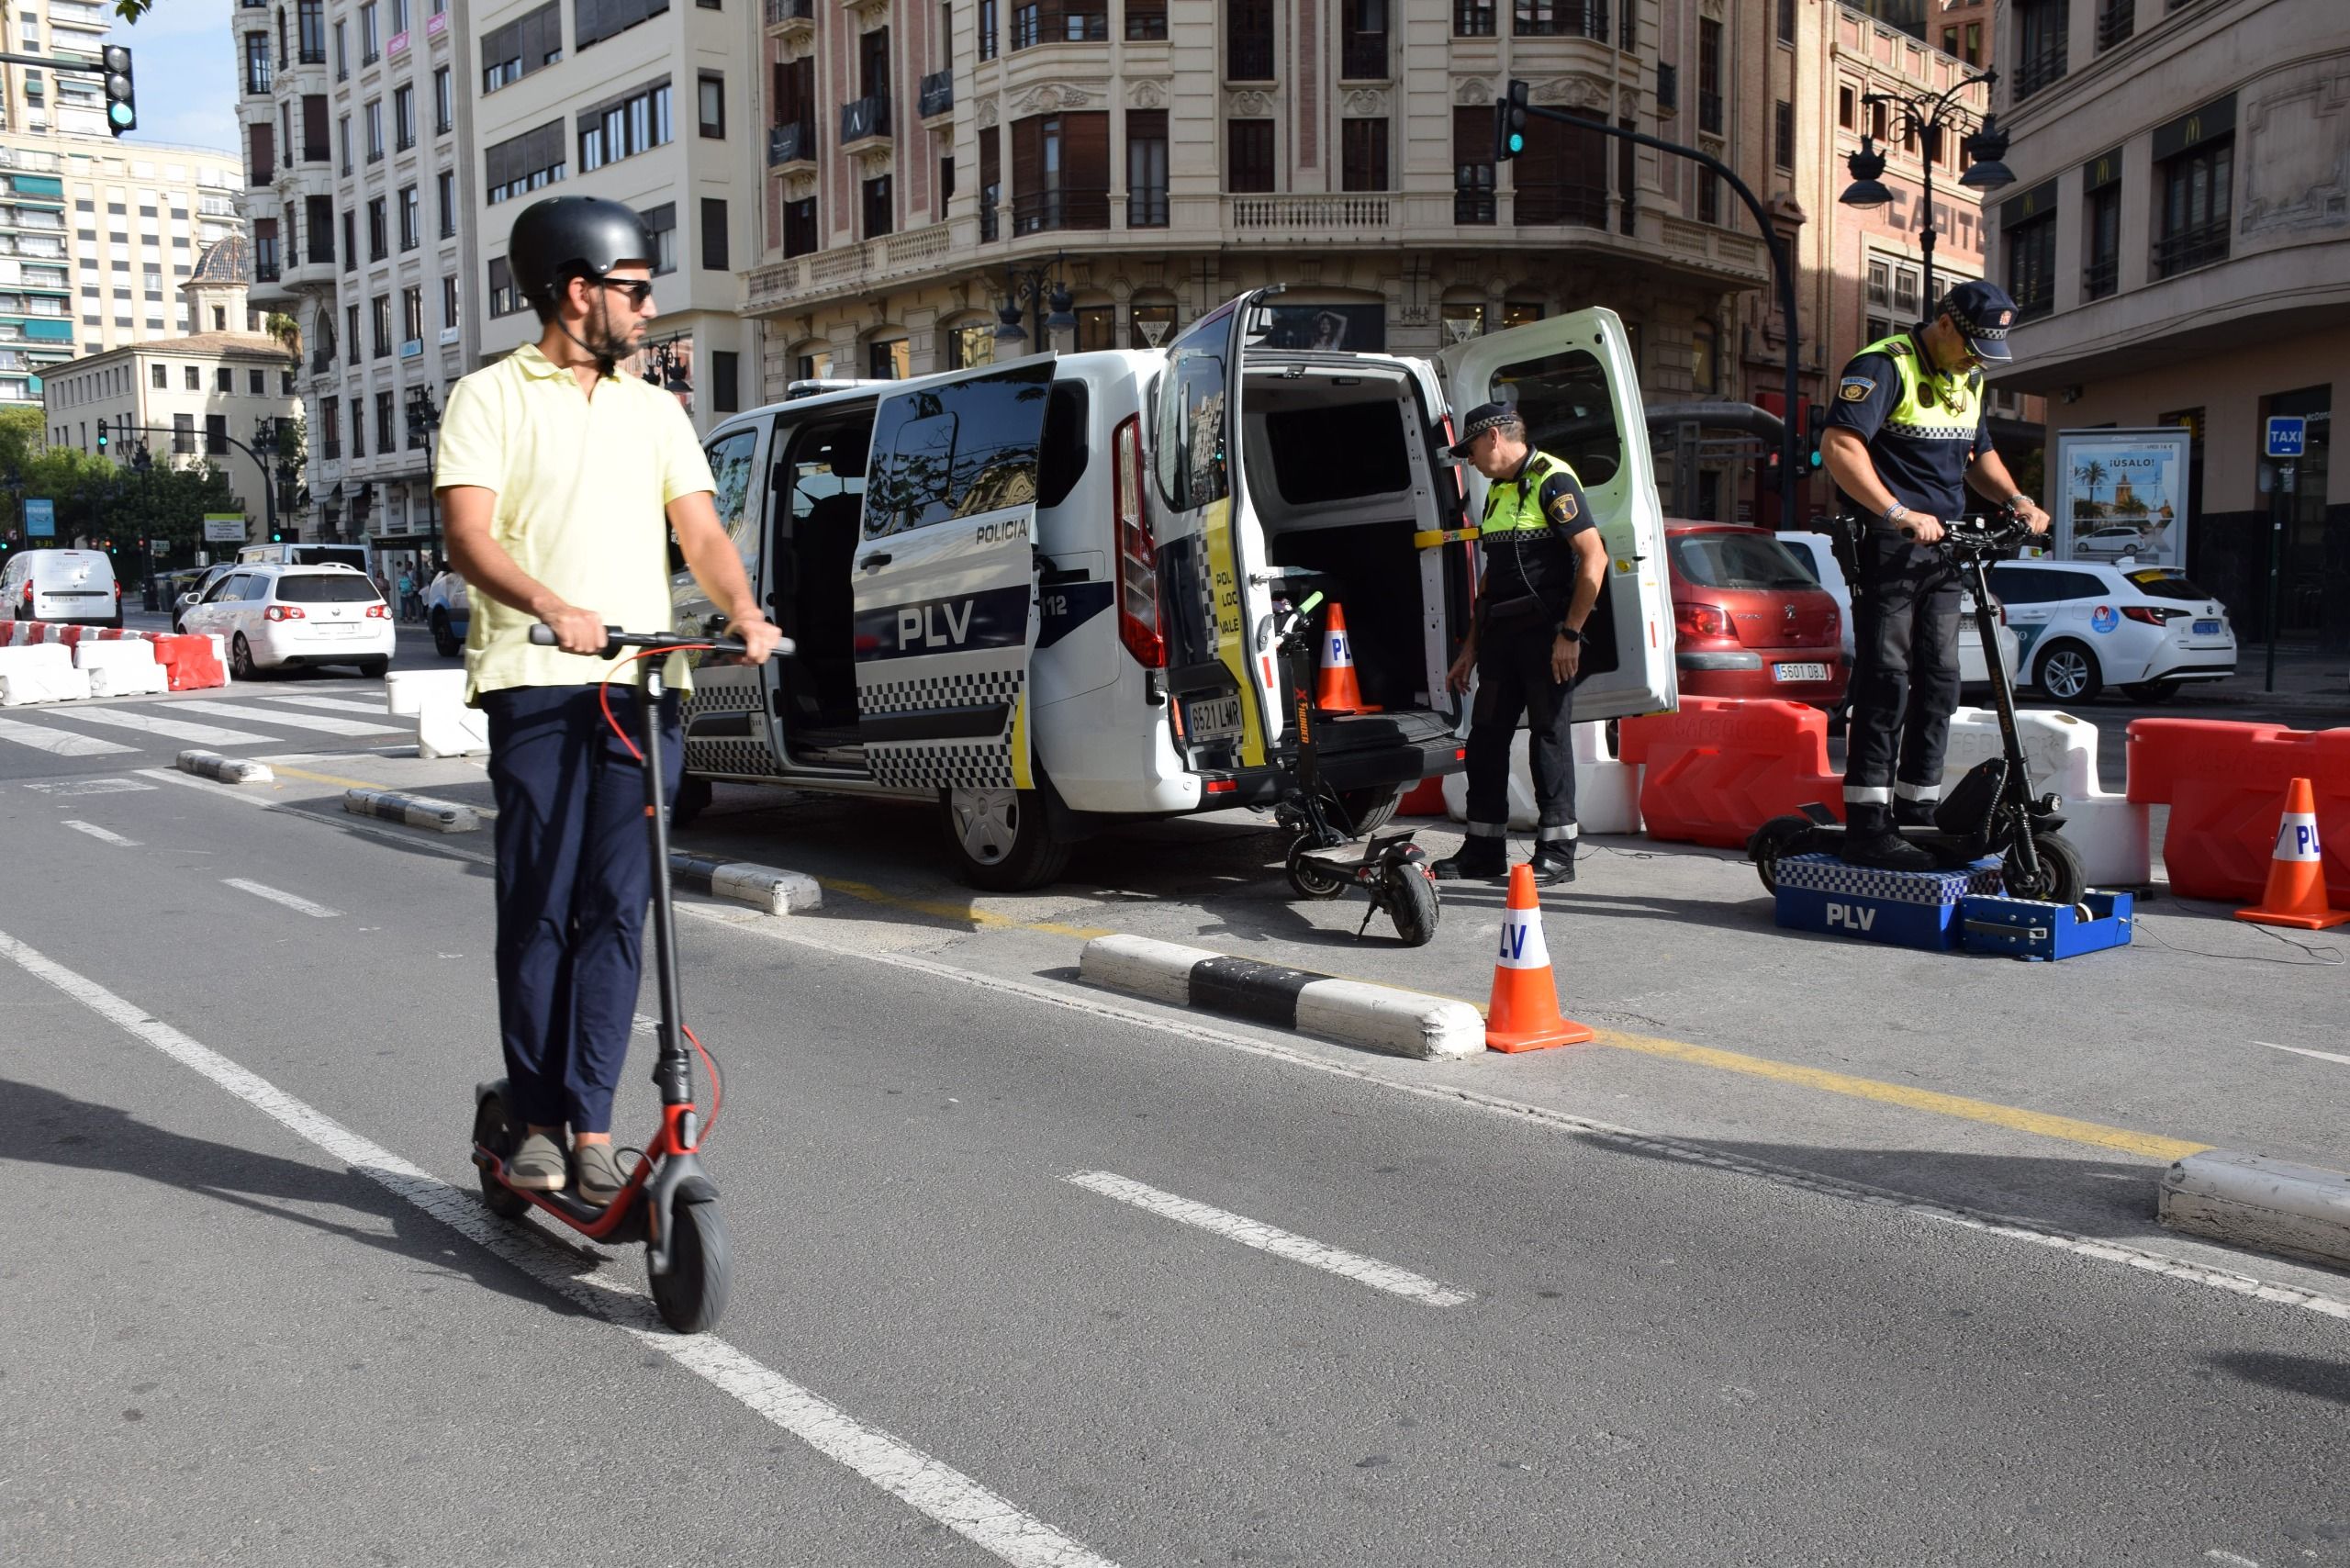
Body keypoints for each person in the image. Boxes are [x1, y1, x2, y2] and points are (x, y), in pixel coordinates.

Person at [434, 196, 782, 1204]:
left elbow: (703, 536)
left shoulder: (656, 410)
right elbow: (469, 537)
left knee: (619, 911)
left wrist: (745, 612)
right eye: (633, 289)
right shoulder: (489, 398)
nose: (648, 306)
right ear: (577, 291)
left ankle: (593, 1124)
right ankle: (536, 1120)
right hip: (539, 682)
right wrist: (552, 604)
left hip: (640, 691)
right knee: (540, 907)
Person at [1820, 279, 2050, 870]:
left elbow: (1978, 456)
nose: (1978, 360)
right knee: (1887, 678)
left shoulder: (1968, 375)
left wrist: (2019, 500)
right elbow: (1841, 446)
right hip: (1892, 544)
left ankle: (1918, 809)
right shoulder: (1883, 365)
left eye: (1988, 352)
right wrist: (1897, 513)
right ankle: (1869, 824)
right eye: (1973, 346)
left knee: (1943, 678)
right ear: (1945, 323)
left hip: (1947, 548)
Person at [1432, 402, 1609, 886]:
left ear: (1492, 438)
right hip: (1500, 639)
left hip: (1545, 636)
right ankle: (1483, 850)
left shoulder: (1553, 478)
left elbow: (1595, 558)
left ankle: (1557, 853)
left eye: (1469, 449)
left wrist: (1570, 634)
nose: (1468, 460)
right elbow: (1490, 580)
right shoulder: (1496, 492)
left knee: (1548, 740)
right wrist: (1469, 649)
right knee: (1486, 741)